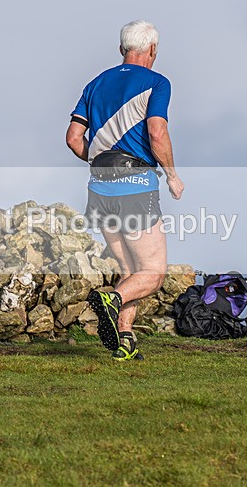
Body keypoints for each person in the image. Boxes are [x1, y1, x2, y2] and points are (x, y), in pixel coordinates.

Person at [65, 20, 184, 361]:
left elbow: (74, 138)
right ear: (152, 50)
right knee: (153, 273)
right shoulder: (157, 83)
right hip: (135, 184)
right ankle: (111, 299)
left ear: (122, 50)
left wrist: (102, 159)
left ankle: (125, 339)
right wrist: (172, 176)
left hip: (99, 186)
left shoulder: (95, 83)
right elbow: (157, 133)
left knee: (131, 268)